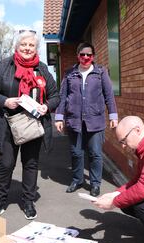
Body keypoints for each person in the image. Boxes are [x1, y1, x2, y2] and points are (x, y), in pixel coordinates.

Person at [0, 30, 59, 220]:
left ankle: (28, 201)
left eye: (31, 45)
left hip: (33, 125)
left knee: (31, 164)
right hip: (7, 124)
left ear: (36, 48)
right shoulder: (4, 66)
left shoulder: (42, 69)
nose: (27, 48)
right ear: (17, 47)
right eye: (23, 44)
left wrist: (46, 106)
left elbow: (56, 96)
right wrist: (5, 101)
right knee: (6, 164)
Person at [55, 42, 118, 197]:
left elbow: (109, 95)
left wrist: (113, 115)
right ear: (78, 55)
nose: (85, 57)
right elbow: (62, 96)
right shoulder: (69, 73)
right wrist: (59, 117)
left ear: (93, 56)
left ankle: (95, 183)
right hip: (74, 120)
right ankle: (77, 180)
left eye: (88, 54)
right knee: (76, 153)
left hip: (95, 121)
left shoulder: (100, 72)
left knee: (95, 154)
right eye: (82, 54)